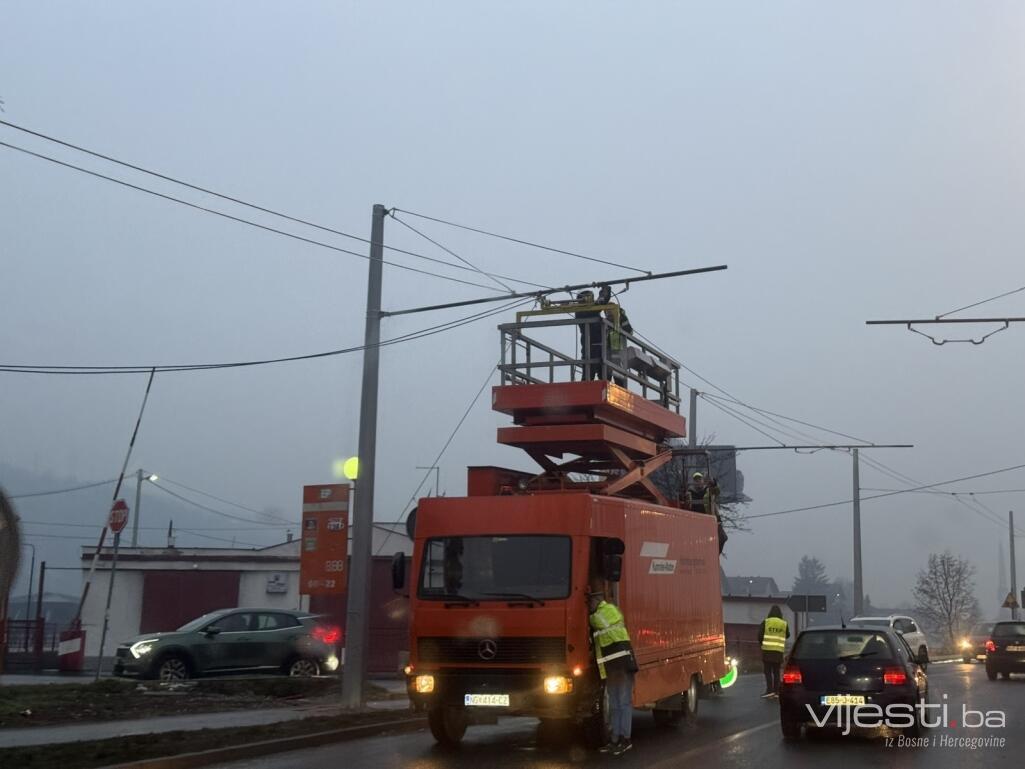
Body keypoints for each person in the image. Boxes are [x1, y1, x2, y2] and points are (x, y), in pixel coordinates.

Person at [588, 590, 637, 755]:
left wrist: (589, 617)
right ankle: (615, 739)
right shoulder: (609, 610)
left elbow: (599, 623)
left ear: (597, 600)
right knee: (616, 705)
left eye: (590, 602)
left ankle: (625, 739)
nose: (589, 606)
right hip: (614, 666)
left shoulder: (604, 612)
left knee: (623, 703)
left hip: (622, 664)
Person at [758, 605, 790, 697]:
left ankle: (769, 690)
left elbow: (760, 635)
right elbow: (787, 635)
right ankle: (777, 691)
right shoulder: (784, 623)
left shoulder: (766, 622)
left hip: (767, 651)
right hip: (778, 651)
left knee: (767, 672)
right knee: (776, 672)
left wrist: (762, 644)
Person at [574, 290, 603, 380]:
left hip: (600, 346)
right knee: (588, 374)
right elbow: (597, 307)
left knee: (603, 373)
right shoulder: (582, 311)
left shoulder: (592, 311)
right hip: (590, 346)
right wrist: (603, 295)